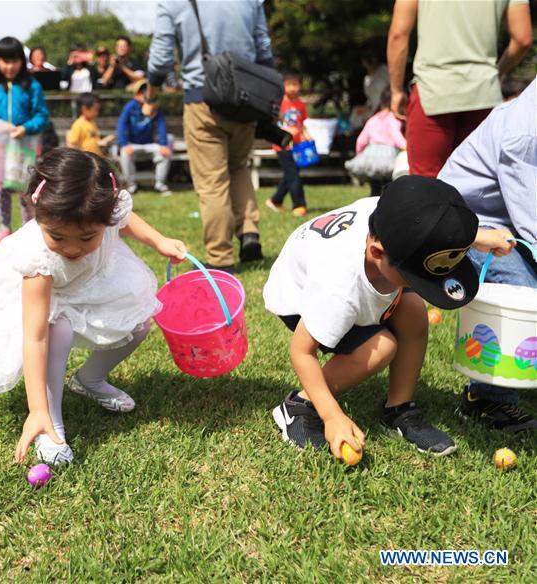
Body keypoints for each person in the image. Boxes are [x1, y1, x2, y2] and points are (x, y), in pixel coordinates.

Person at [0, 148, 187, 465]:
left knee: (138, 323)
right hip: (43, 293)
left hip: (87, 282)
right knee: (58, 331)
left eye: (86, 237)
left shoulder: (107, 209)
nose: (71, 248)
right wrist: (35, 408)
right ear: (39, 217)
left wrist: (159, 241)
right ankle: (48, 423)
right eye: (58, 236)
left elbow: (127, 219)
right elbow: (35, 337)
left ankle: (90, 379)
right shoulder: (38, 258)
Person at [264, 176, 515, 458]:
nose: (421, 285)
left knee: (414, 311)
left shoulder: (394, 217)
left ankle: (398, 409)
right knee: (382, 347)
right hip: (299, 297)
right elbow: (301, 352)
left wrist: (478, 237)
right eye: (415, 278)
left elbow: (426, 224)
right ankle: (300, 405)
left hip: (361, 278)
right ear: (378, 252)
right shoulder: (338, 287)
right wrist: (332, 415)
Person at [438, 78, 537, 434]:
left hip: (506, 224)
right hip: (465, 230)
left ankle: (525, 371)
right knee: (523, 289)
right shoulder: (524, 134)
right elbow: (532, 220)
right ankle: (487, 399)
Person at [148, 1, 274, 271]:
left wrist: (151, 90)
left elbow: (160, 59)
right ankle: (249, 232)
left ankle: (220, 258)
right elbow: (263, 46)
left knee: (212, 182)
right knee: (239, 166)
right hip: (247, 98)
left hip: (202, 99)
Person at [387, 0, 532, 177]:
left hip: (432, 92)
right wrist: (496, 72)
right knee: (477, 186)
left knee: (424, 188)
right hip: (483, 94)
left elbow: (398, 34)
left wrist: (396, 90)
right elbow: (523, 39)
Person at [0, 36, 49, 246]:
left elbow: (41, 115)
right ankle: (5, 227)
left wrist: (26, 128)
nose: (9, 66)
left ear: (22, 61)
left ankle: (29, 227)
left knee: (25, 186)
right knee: (2, 188)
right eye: (4, 61)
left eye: (14, 61)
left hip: (25, 145)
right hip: (1, 146)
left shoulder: (32, 86)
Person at [345, 89, 407, 197]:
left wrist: (360, 154)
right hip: (388, 155)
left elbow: (361, 140)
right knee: (388, 185)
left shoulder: (373, 119)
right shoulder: (393, 118)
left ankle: (373, 206)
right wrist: (406, 147)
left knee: (375, 187)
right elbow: (396, 135)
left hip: (371, 154)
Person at [117, 79, 172, 195]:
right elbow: (121, 126)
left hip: (149, 144)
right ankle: (131, 185)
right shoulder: (129, 107)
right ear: (136, 94)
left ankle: (160, 184)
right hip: (132, 144)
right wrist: (124, 144)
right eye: (142, 92)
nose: (146, 94)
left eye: (147, 91)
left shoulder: (155, 107)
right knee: (124, 153)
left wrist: (163, 145)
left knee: (165, 152)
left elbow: (161, 126)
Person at [265, 72, 308, 216]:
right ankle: (299, 205)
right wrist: (284, 129)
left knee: (291, 173)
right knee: (293, 174)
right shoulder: (279, 103)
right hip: (282, 144)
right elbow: (273, 121)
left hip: (297, 145)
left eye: (295, 84)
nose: (292, 88)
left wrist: (306, 135)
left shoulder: (301, 104)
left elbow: (302, 124)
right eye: (289, 85)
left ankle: (275, 200)